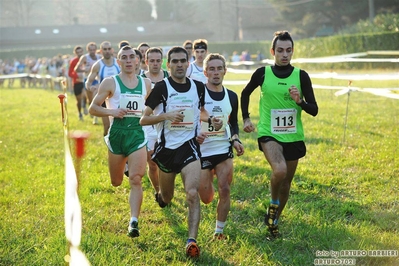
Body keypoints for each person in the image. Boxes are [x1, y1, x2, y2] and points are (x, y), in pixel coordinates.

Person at [140, 46, 222, 258]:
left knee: (192, 194)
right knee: (167, 198)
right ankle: (160, 195)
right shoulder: (161, 88)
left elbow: (200, 111)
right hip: (167, 150)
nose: (178, 65)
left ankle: (191, 241)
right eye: (174, 62)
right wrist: (165, 116)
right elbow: (144, 118)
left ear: (188, 63)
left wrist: (209, 120)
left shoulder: (198, 87)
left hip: (189, 147)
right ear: (169, 65)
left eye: (182, 61)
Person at [240, 31, 318, 239]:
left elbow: (314, 109)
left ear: (293, 51)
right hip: (269, 132)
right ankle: (273, 202)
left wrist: (299, 101)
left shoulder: (301, 76)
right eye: (280, 50)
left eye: (289, 50)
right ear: (273, 51)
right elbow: (245, 93)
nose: (285, 55)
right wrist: (246, 118)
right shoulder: (263, 73)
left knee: (286, 183)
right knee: (280, 170)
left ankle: (273, 219)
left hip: (293, 135)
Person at [89, 45, 152, 238]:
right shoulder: (110, 82)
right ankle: (125, 167)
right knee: (116, 182)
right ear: (118, 62)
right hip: (116, 134)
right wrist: (111, 111)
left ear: (137, 60)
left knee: (136, 179)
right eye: (123, 57)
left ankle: (134, 221)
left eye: (131, 57)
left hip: (137, 135)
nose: (128, 60)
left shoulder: (146, 84)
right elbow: (93, 108)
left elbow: (148, 109)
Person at [197, 53, 244, 240]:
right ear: (205, 71)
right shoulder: (198, 93)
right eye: (212, 69)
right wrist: (195, 134)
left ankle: (219, 231)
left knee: (225, 189)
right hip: (202, 151)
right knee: (206, 197)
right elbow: (190, 118)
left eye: (219, 68)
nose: (216, 73)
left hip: (223, 149)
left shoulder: (232, 96)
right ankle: (208, 181)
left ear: (225, 71)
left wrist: (236, 139)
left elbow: (233, 123)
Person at [141, 47, 170, 199]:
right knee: (152, 163)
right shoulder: (140, 79)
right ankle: (159, 192)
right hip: (148, 126)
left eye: (158, 61)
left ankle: (166, 190)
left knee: (165, 164)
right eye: (151, 61)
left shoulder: (168, 77)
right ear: (146, 62)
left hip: (168, 125)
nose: (155, 64)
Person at [85, 41, 120, 135]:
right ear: (100, 51)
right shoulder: (98, 65)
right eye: (105, 49)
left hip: (119, 98)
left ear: (112, 50)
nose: (107, 51)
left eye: (109, 49)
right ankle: (108, 148)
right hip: (104, 99)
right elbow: (89, 80)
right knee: (107, 127)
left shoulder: (119, 63)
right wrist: (89, 87)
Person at [75, 42, 101, 118]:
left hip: (97, 80)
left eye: (94, 50)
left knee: (96, 97)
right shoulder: (84, 57)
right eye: (90, 50)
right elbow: (76, 69)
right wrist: (84, 70)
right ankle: (91, 110)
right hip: (88, 80)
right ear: (88, 50)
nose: (92, 51)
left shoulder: (99, 57)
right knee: (90, 100)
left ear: (96, 49)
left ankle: (96, 117)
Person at [68, 45, 86, 120]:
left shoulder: (86, 59)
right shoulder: (73, 61)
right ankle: (80, 113)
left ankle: (85, 106)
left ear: (83, 51)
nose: (79, 53)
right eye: (77, 52)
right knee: (78, 100)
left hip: (85, 81)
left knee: (85, 95)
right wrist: (76, 76)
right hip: (76, 82)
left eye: (80, 52)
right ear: (75, 53)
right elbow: (69, 73)